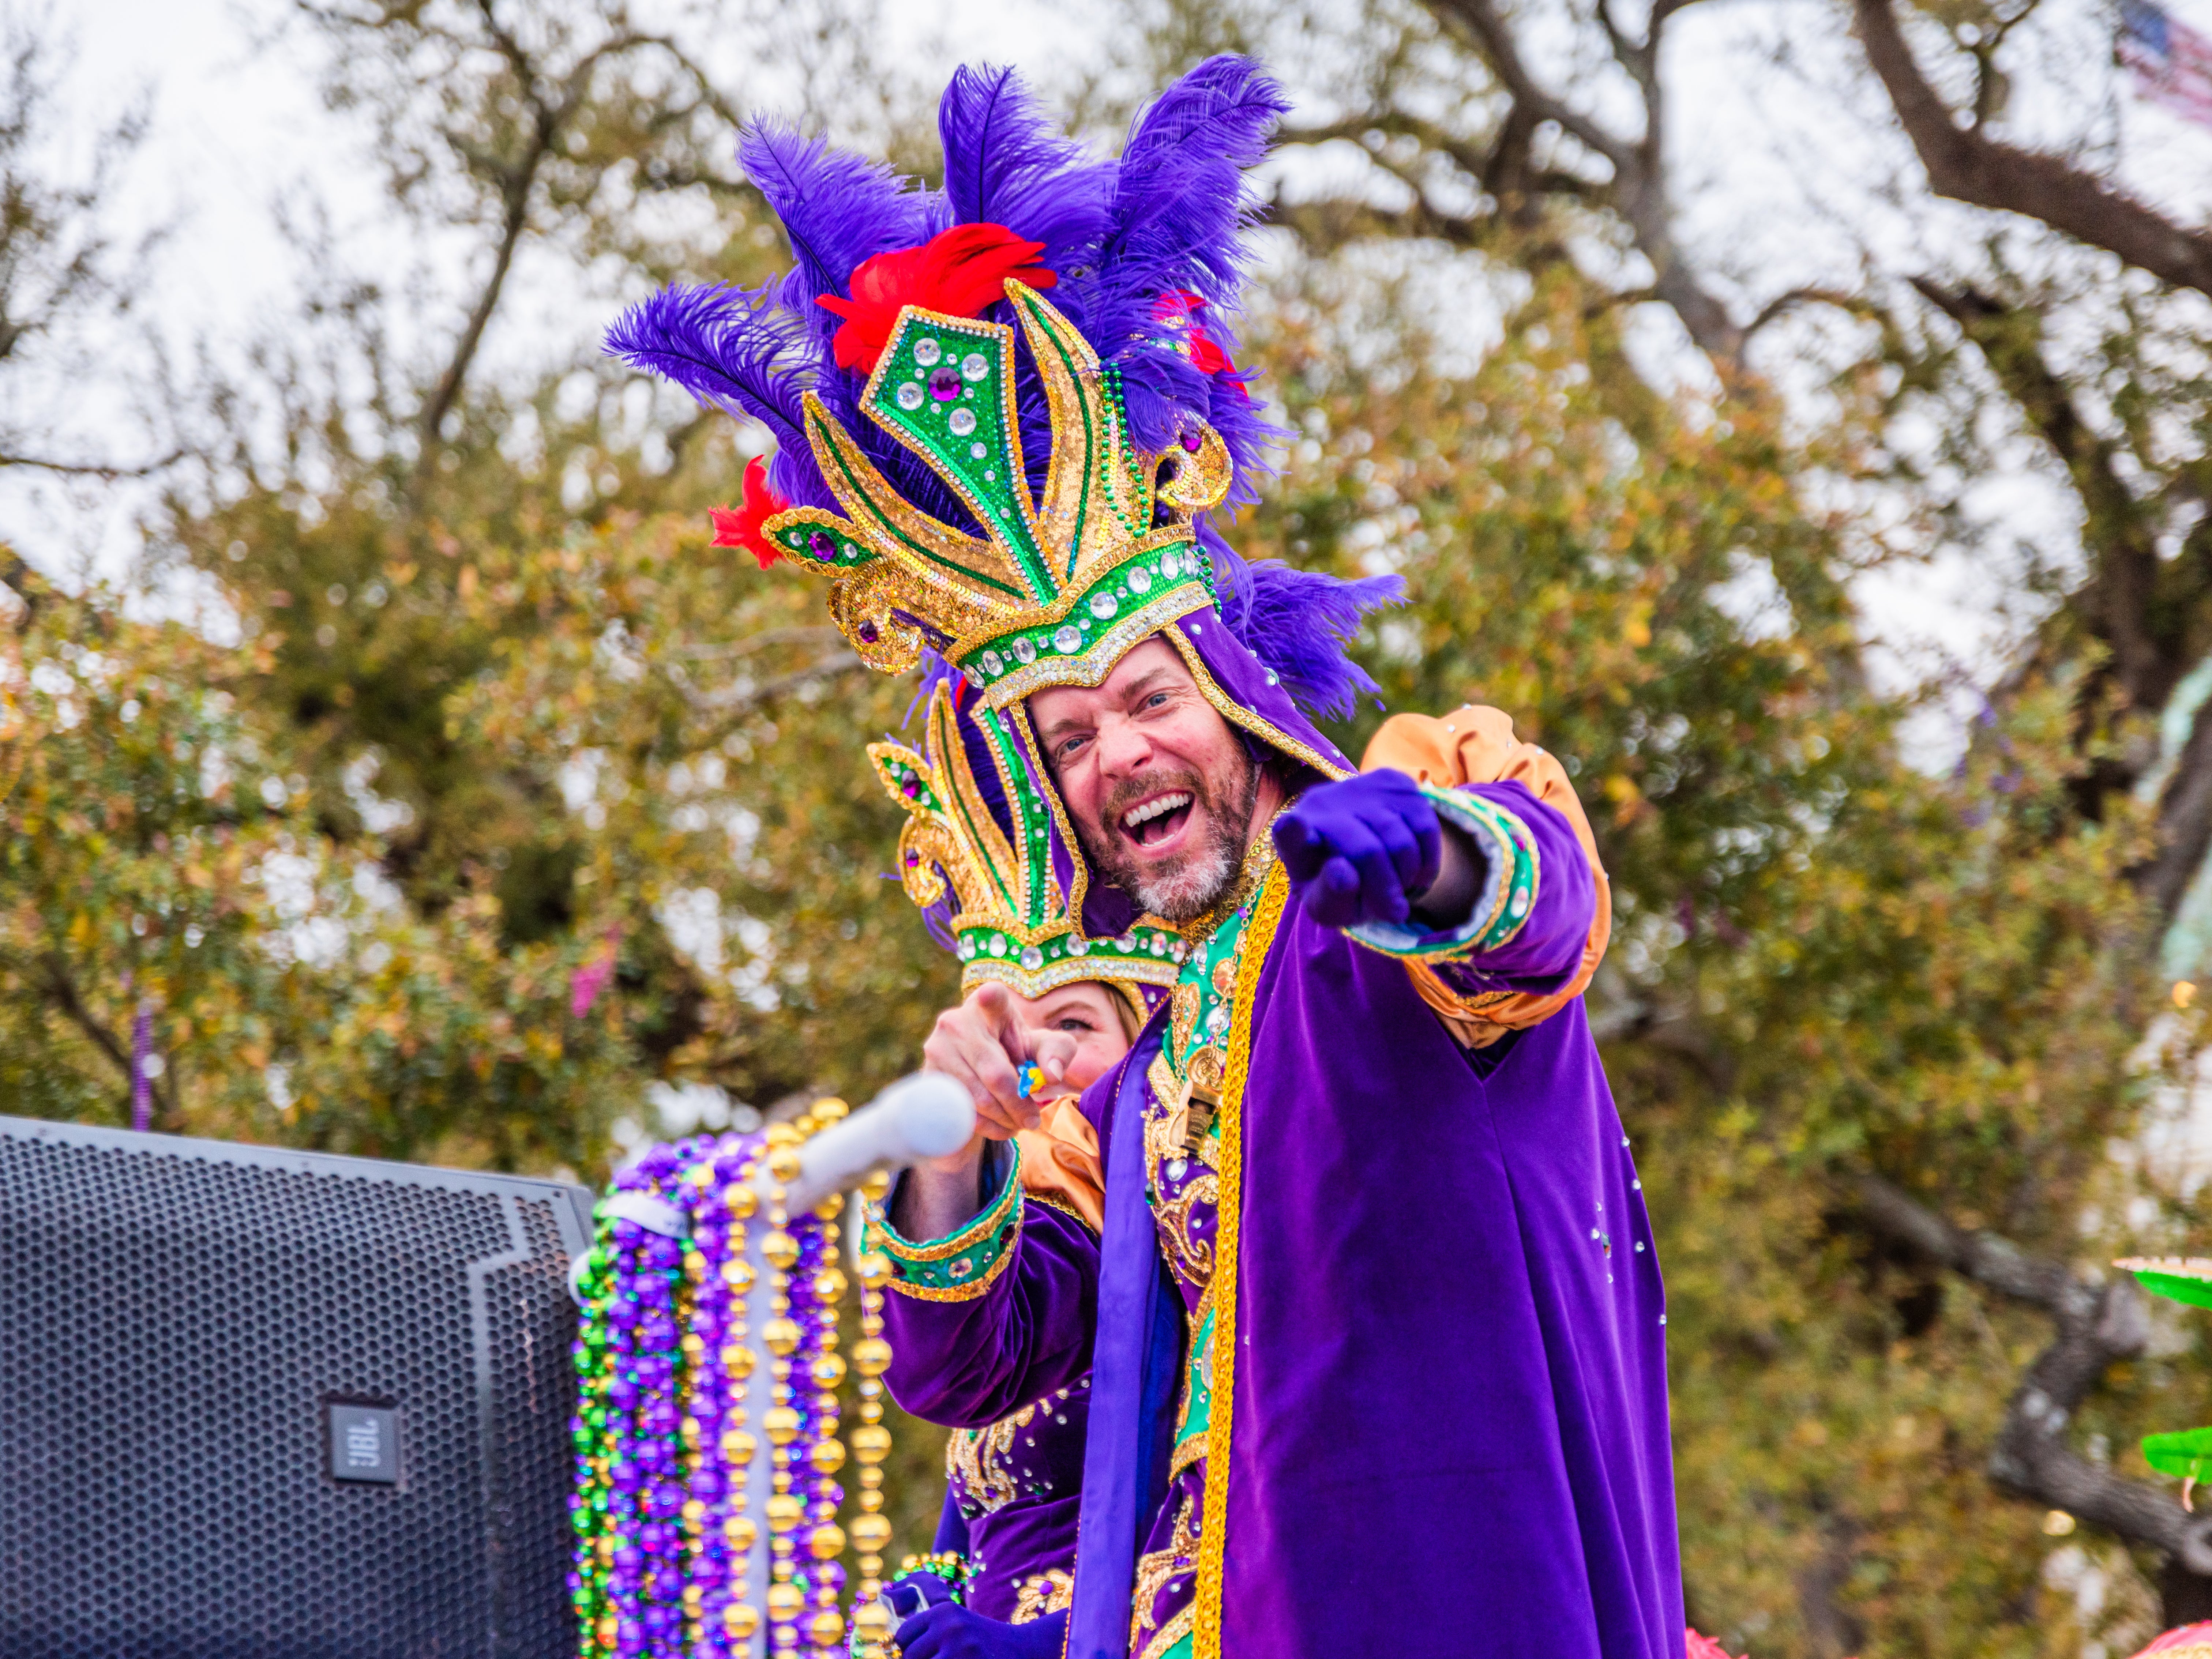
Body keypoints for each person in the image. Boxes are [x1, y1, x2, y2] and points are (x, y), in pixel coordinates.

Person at [616, 52, 1680, 1659]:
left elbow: (1532, 914)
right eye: (1065, 740)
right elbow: (978, 1371)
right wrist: (962, 1143)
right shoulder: (1148, 1062)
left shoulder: (1368, 911)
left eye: (1144, 701)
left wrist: (1421, 870)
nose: (1112, 755)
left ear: (1240, 707)